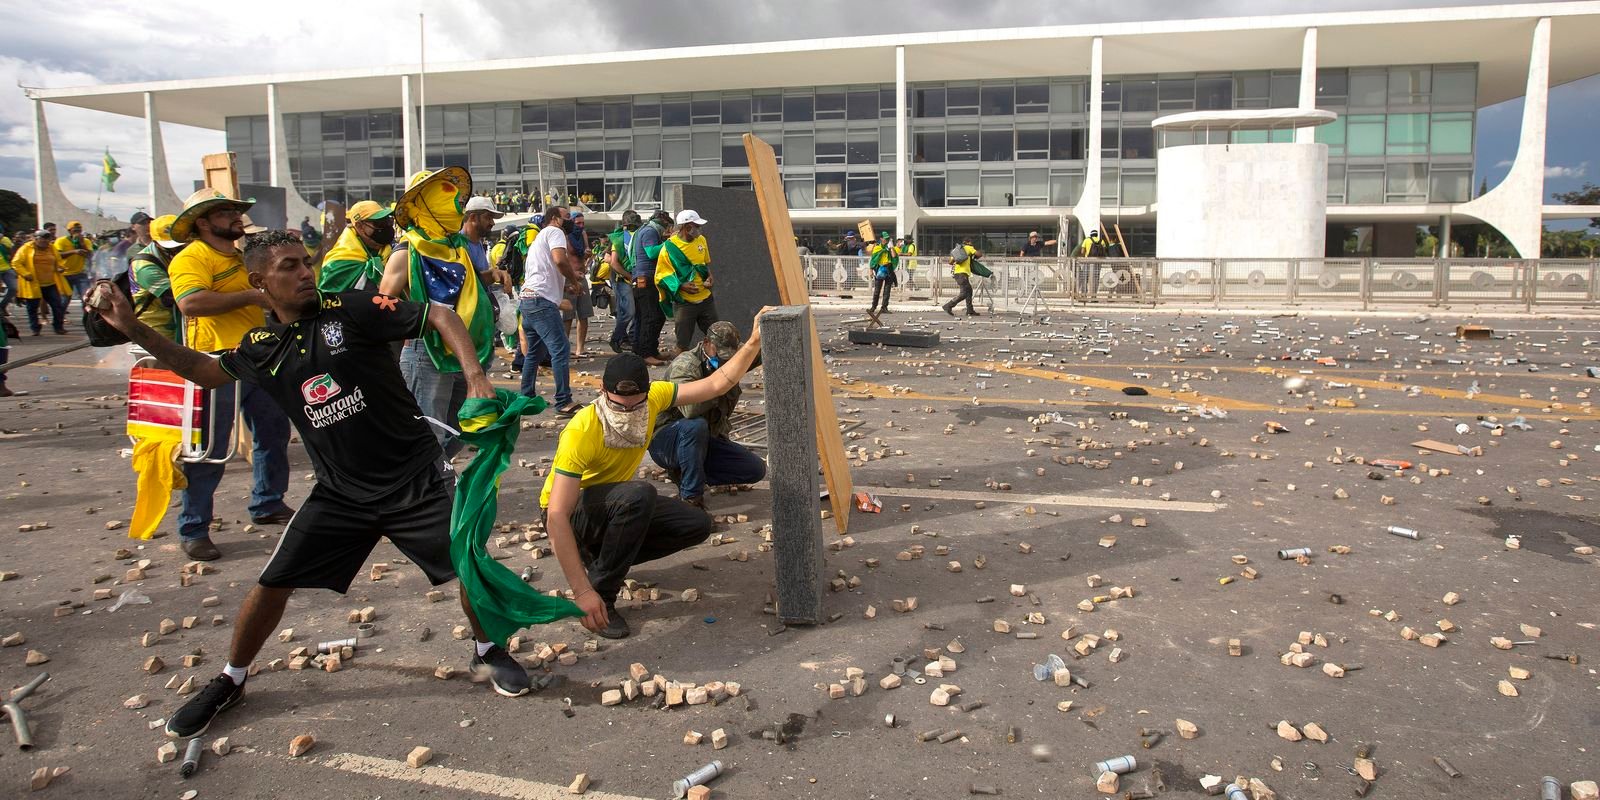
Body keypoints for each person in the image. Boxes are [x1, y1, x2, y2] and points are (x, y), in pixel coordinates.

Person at [90, 230, 554, 740]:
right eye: (289, 267)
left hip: (414, 479)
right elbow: (202, 370)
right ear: (259, 281)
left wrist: (475, 375)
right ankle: (232, 678)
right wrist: (133, 326)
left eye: (305, 263)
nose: (305, 272)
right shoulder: (261, 347)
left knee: (469, 564)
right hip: (341, 494)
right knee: (272, 584)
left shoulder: (352, 307)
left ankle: (488, 650)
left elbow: (439, 316)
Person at [542, 334, 765, 639]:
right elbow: (555, 515)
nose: (628, 414)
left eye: (636, 406)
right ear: (603, 391)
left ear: (648, 394)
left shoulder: (657, 397)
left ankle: (603, 562)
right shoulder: (582, 430)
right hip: (571, 515)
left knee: (697, 523)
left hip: (612, 504)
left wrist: (754, 340)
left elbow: (716, 385)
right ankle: (602, 595)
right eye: (619, 406)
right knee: (638, 495)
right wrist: (581, 592)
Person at [168, 189, 294, 560]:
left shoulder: (240, 257)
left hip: (255, 355)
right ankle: (193, 526)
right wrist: (252, 298)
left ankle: (268, 502)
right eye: (226, 213)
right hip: (213, 362)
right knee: (210, 447)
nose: (236, 218)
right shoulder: (193, 257)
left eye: (236, 212)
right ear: (204, 223)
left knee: (273, 431)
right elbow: (190, 302)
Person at [380, 175, 507, 456]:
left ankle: (437, 474)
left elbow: (469, 286)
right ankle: (430, 488)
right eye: (450, 203)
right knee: (430, 431)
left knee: (464, 425)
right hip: (427, 352)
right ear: (432, 207)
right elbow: (384, 307)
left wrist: (494, 275)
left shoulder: (456, 248)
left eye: (459, 203)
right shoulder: (407, 252)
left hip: (465, 350)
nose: (458, 210)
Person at [648, 321, 766, 510]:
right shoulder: (685, 365)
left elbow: (759, 351)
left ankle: (689, 472)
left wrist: (763, 330)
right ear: (706, 343)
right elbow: (690, 410)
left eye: (730, 357)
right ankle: (691, 500)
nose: (724, 362)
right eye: (720, 355)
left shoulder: (730, 357)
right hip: (668, 439)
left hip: (704, 440)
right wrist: (719, 383)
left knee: (754, 469)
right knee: (695, 426)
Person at [518, 206, 585, 415]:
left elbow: (545, 272)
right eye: (567, 217)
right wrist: (573, 281)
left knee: (534, 353)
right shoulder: (555, 232)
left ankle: (526, 397)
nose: (571, 221)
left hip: (528, 300)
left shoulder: (538, 239)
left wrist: (566, 284)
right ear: (555, 219)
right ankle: (563, 401)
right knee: (561, 348)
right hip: (540, 302)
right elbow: (559, 260)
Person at [655, 209, 718, 352]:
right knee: (682, 344)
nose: (699, 229)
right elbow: (661, 275)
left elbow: (704, 264)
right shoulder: (670, 247)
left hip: (706, 299)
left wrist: (709, 276)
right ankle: (678, 371)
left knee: (717, 337)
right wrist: (681, 286)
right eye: (696, 226)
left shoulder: (702, 240)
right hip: (685, 304)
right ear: (687, 227)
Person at [128, 215, 186, 341]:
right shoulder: (144, 266)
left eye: (180, 245)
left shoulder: (175, 255)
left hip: (179, 326)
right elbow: (177, 296)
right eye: (171, 247)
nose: (177, 249)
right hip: (156, 331)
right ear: (155, 242)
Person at [317, 200, 395, 293]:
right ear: (360, 227)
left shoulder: (393, 251)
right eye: (379, 223)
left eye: (388, 221)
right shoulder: (337, 264)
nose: (386, 227)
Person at [629, 210, 671, 365]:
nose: (667, 229)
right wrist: (669, 242)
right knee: (652, 317)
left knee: (645, 317)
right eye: (667, 226)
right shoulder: (650, 231)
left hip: (643, 279)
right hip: (646, 279)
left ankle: (645, 350)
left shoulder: (646, 230)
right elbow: (652, 252)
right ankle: (647, 353)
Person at [13, 231, 70, 335]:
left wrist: (60, 267)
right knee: (32, 308)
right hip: (33, 284)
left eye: (48, 239)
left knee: (57, 306)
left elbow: (59, 260)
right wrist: (25, 274)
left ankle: (58, 326)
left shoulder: (51, 248)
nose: (45, 241)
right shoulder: (26, 248)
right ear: (35, 239)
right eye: (42, 238)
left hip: (50, 283)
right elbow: (16, 263)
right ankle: (35, 328)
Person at [604, 210, 641, 354]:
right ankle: (617, 338)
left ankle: (629, 338)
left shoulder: (638, 236)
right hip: (621, 279)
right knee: (627, 311)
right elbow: (610, 259)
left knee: (634, 311)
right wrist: (627, 275)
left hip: (633, 277)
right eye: (630, 226)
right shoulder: (618, 239)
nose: (632, 229)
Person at [563, 213, 593, 358]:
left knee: (584, 314)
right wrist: (572, 274)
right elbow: (562, 258)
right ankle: (565, 347)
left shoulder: (583, 234)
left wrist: (587, 254)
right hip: (569, 278)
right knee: (568, 316)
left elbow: (586, 252)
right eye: (578, 223)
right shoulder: (566, 236)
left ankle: (580, 348)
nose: (581, 226)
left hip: (581, 276)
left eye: (582, 223)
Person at [52, 220, 95, 302]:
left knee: (86, 298)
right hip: (65, 274)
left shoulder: (86, 241)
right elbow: (57, 255)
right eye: (75, 230)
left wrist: (82, 244)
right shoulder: (61, 241)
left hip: (80, 273)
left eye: (79, 230)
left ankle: (86, 314)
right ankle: (60, 314)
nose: (77, 232)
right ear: (69, 231)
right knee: (65, 299)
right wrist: (73, 252)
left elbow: (90, 255)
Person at [942, 237, 982, 317]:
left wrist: (959, 259)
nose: (972, 243)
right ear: (968, 242)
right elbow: (978, 254)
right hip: (962, 274)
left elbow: (950, 262)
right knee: (964, 293)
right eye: (971, 242)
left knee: (969, 291)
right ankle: (948, 306)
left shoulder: (958, 250)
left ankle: (970, 310)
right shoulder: (969, 248)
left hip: (958, 273)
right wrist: (978, 252)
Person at [867, 234, 899, 316]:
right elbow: (873, 260)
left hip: (889, 270)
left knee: (887, 291)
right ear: (881, 239)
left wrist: (891, 247)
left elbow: (894, 256)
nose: (887, 240)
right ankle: (873, 307)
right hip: (879, 270)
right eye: (885, 239)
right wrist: (871, 270)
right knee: (877, 290)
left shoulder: (890, 248)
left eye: (888, 239)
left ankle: (884, 307)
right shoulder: (877, 248)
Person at [1077, 229, 1108, 299]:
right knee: (1096, 278)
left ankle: (1083, 294)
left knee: (1085, 277)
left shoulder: (1086, 240)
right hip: (1098, 262)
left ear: (1091, 235)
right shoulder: (1101, 241)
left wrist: (1084, 256)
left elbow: (1082, 251)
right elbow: (1104, 251)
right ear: (1097, 235)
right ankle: (1094, 295)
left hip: (1088, 261)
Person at [0, 224, 16, 318]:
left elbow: (12, 252)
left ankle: (2, 306)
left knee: (13, 288)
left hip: (6, 268)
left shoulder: (5, 240)